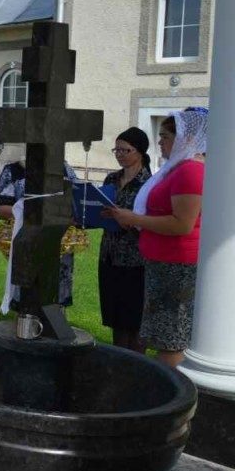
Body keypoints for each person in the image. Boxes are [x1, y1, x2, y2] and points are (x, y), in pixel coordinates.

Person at [109, 109, 207, 368]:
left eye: (165, 136)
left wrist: (134, 219)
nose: (159, 142)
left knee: (171, 339)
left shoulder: (190, 171)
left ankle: (172, 388)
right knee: (163, 337)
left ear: (186, 138)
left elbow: (182, 224)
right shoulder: (175, 168)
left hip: (177, 267)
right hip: (162, 264)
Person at [0, 158, 78, 306]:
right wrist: (33, 212)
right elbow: (1, 209)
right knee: (26, 302)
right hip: (27, 244)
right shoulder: (13, 170)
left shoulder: (65, 169)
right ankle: (25, 318)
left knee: (54, 304)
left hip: (58, 246)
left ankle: (54, 318)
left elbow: (77, 203)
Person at [98, 128, 152, 352]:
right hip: (109, 255)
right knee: (116, 317)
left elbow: (152, 222)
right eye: (116, 150)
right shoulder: (112, 178)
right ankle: (118, 360)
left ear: (139, 152)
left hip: (136, 260)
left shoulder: (149, 183)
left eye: (125, 150)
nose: (119, 154)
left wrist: (128, 221)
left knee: (135, 319)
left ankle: (136, 364)